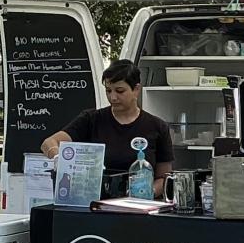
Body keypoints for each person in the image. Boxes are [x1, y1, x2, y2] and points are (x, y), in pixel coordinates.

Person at [40, 60, 174, 197]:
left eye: (120, 91)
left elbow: (164, 178)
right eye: (108, 91)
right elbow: (48, 143)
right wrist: (58, 157)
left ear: (136, 90)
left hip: (138, 208)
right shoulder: (91, 120)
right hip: (95, 204)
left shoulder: (157, 127)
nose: (113, 97)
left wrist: (147, 193)